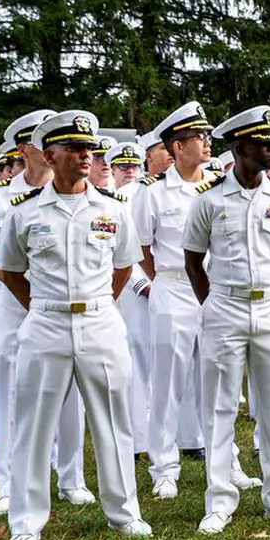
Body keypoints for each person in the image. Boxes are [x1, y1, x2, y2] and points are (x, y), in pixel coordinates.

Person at [0, 109, 151, 540]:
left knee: (113, 421)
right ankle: (26, 523)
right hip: (44, 322)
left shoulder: (112, 210)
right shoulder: (23, 214)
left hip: (101, 320)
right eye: (76, 149)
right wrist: (44, 308)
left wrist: (97, 304)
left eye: (90, 149)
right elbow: (9, 270)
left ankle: (123, 513)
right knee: (33, 426)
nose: (87, 156)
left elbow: (124, 266)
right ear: (51, 154)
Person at [183, 106, 270, 534]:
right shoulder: (210, 200)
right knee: (220, 406)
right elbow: (193, 260)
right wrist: (213, 303)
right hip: (224, 305)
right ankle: (219, 501)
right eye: (264, 143)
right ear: (239, 147)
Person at [0, 109, 92, 516]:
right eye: (38, 143)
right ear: (25, 150)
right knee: (11, 391)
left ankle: (71, 476)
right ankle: (8, 481)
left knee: (70, 391)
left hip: (62, 306)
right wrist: (27, 298)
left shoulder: (75, 191)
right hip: (14, 304)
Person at [135, 101, 258, 500]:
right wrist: (164, 284)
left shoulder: (221, 186)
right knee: (168, 384)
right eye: (198, 138)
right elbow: (142, 250)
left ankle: (227, 463)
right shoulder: (152, 193)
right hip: (173, 288)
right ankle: (164, 468)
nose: (207, 143)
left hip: (217, 289)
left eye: (206, 137)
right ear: (176, 147)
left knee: (218, 381)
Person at [108, 141, 153, 457]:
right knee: (136, 365)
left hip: (169, 290)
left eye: (134, 165)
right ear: (112, 170)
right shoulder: (114, 200)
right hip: (133, 291)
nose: (129, 170)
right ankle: (140, 439)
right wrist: (142, 285)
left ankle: (185, 437)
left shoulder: (152, 192)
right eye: (123, 166)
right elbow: (121, 250)